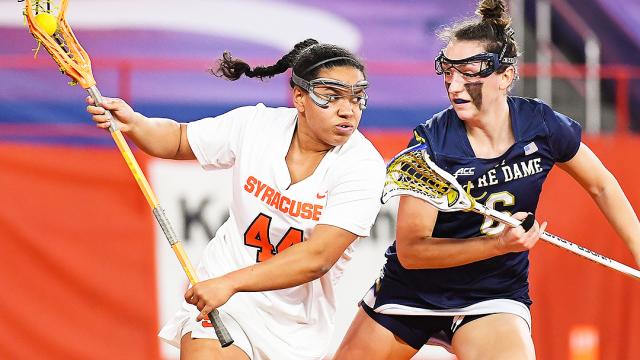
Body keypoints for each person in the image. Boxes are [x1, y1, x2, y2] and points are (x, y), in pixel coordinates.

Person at [333, 0, 640, 359]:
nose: (455, 86)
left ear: (505, 77)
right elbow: (413, 252)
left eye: (469, 73)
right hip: (411, 293)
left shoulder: (541, 126)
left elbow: (601, 184)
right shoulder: (431, 144)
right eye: (449, 73)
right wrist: (498, 246)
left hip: (491, 294)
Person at [86, 39, 386, 360]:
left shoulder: (363, 166)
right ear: (299, 97)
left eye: (357, 99)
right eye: (332, 96)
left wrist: (229, 283)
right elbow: (177, 140)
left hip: (296, 327)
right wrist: (135, 123)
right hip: (230, 307)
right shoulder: (256, 126)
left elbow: (318, 257)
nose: (348, 110)